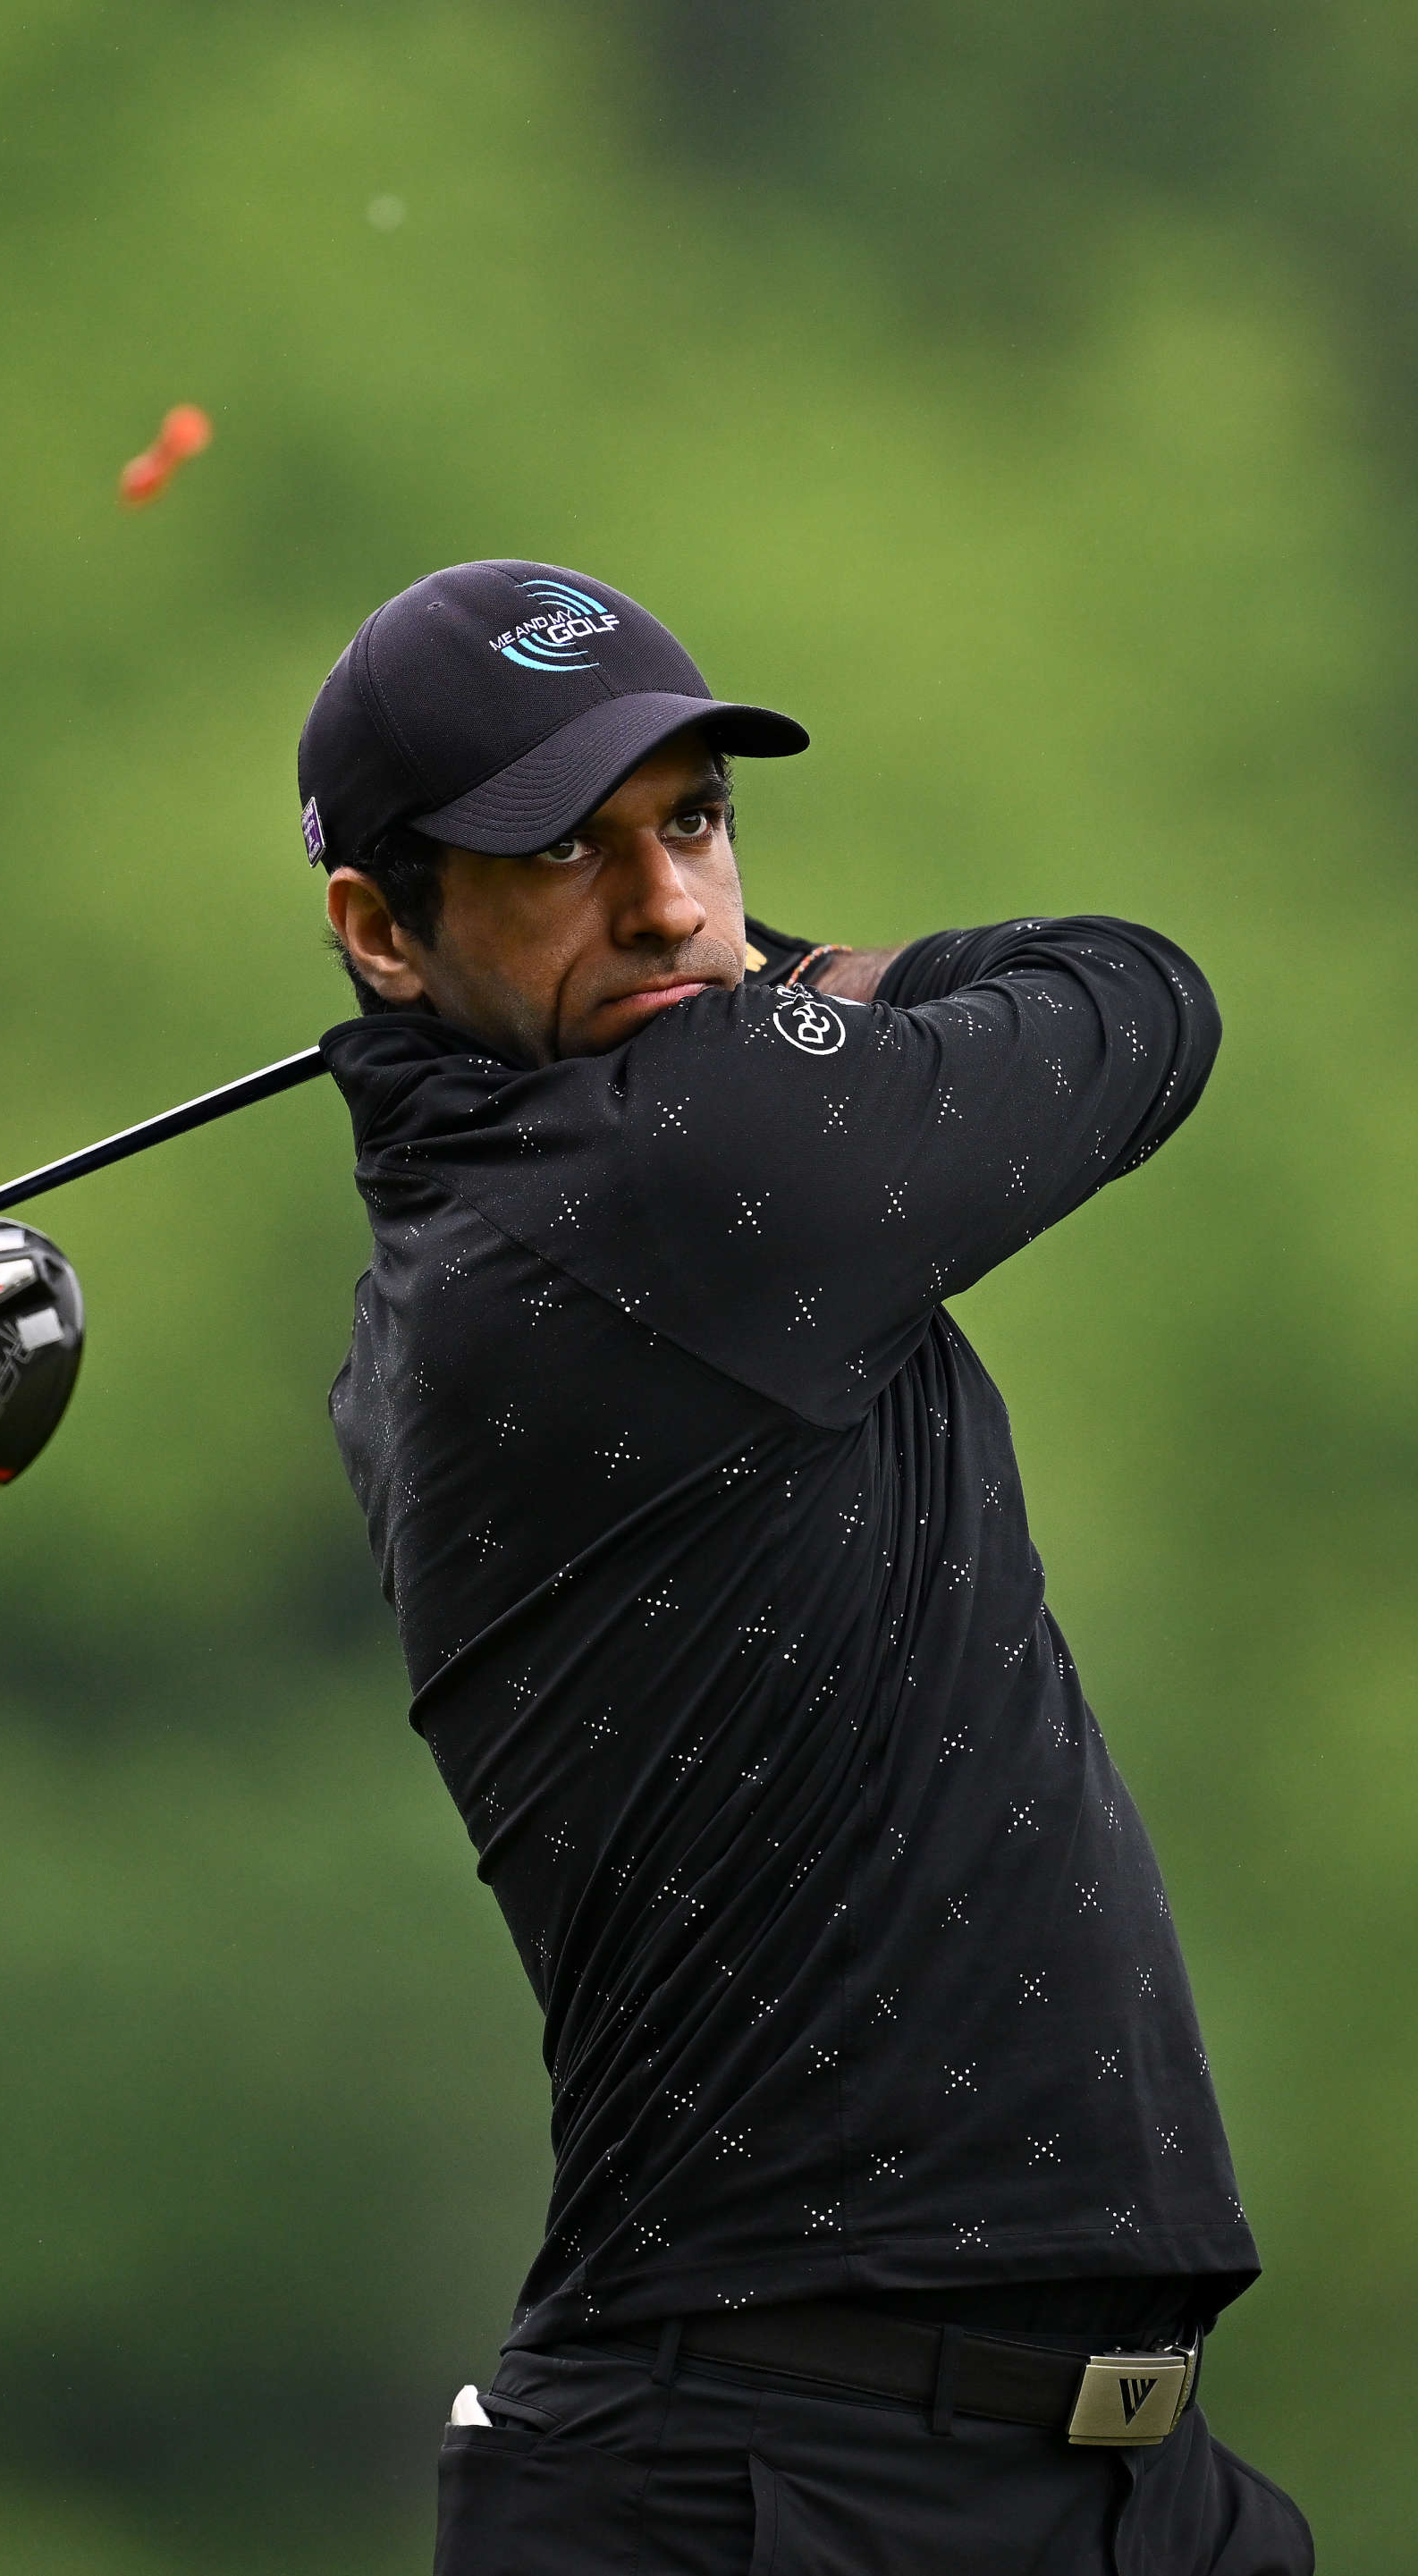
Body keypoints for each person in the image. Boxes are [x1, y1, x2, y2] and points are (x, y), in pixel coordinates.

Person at [300, 562, 1312, 2573]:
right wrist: (816, 984)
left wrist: (773, 1020)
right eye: (562, 853)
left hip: (1102, 2487)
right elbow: (1138, 996)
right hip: (776, 2483)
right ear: (380, 933)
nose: (670, 904)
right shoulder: (652, 1198)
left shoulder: (548, 1213)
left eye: (689, 821)